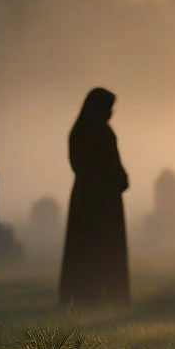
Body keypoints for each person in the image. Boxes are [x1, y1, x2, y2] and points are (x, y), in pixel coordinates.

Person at [59, 87, 131, 306]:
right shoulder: (104, 133)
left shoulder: (78, 132)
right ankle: (112, 294)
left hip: (83, 196)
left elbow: (77, 165)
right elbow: (113, 165)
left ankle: (83, 292)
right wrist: (121, 180)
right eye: (109, 108)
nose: (111, 113)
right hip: (105, 199)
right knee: (106, 246)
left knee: (83, 246)